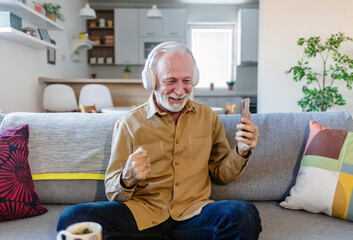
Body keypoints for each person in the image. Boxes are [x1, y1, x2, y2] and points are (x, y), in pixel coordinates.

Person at [57, 42, 261, 240]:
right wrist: (127, 179)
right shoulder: (129, 124)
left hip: (194, 216)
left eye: (187, 81)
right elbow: (112, 191)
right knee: (73, 218)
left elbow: (221, 174)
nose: (180, 91)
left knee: (243, 213)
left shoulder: (208, 118)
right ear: (151, 80)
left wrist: (241, 151)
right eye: (171, 81)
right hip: (141, 217)